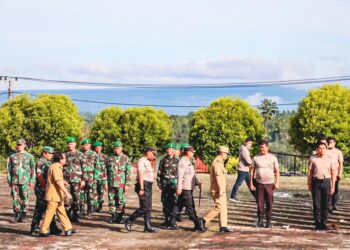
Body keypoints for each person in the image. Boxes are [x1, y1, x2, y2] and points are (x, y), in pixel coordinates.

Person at [168, 146, 205, 232]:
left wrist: (197, 183)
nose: (193, 153)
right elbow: (180, 175)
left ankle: (172, 221)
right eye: (192, 152)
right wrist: (179, 187)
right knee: (190, 207)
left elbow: (192, 175)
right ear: (188, 152)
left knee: (179, 205)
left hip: (189, 187)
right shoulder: (183, 161)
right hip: (185, 188)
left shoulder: (189, 161)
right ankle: (197, 224)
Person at [39, 152, 76, 237]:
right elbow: (57, 181)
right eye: (64, 158)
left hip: (57, 195)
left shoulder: (57, 167)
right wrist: (67, 193)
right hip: (53, 195)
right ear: (60, 159)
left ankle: (68, 229)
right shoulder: (55, 167)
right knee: (49, 213)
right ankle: (43, 231)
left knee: (62, 212)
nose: (65, 160)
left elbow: (57, 179)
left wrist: (63, 181)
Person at [124, 147, 159, 233]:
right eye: (153, 154)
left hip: (148, 185)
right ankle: (129, 220)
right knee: (144, 207)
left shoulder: (147, 161)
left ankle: (147, 226)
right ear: (148, 152)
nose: (154, 156)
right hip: (143, 185)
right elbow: (141, 175)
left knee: (149, 208)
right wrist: (142, 188)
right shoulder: (142, 161)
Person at [200, 146, 233, 233]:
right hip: (218, 189)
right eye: (226, 154)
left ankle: (223, 226)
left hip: (220, 189)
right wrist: (221, 189)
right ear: (222, 153)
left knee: (223, 208)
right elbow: (218, 177)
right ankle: (203, 220)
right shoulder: (217, 163)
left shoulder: (220, 162)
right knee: (219, 207)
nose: (227, 156)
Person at [30, 146, 62, 236]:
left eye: (52, 153)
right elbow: (39, 175)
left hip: (46, 189)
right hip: (41, 189)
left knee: (50, 208)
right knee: (39, 208)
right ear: (45, 153)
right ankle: (34, 227)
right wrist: (45, 186)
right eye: (50, 153)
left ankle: (53, 227)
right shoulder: (41, 161)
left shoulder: (48, 162)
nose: (52, 155)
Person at [249, 140, 280, 228]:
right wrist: (251, 183)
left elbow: (277, 171)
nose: (261, 149)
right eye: (260, 147)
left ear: (267, 147)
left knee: (269, 202)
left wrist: (277, 182)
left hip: (269, 183)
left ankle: (269, 221)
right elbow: (252, 171)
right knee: (260, 202)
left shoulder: (273, 158)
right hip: (259, 183)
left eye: (263, 147)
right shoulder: (256, 158)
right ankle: (260, 220)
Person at [308, 142, 336, 230]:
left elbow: (333, 173)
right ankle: (317, 223)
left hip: (326, 182)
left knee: (326, 204)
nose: (322, 150)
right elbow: (310, 173)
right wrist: (309, 184)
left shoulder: (330, 159)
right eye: (320, 148)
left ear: (326, 149)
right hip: (316, 183)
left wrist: (333, 186)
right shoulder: (313, 159)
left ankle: (323, 223)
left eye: (324, 148)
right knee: (316, 204)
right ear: (317, 149)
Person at [7, 139, 35, 223]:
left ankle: (23, 215)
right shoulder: (12, 156)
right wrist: (9, 179)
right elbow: (9, 169)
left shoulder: (30, 156)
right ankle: (16, 214)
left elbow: (33, 169)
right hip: (15, 180)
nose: (19, 146)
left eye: (21, 145)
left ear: (24, 146)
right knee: (15, 198)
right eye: (18, 145)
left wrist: (32, 180)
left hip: (25, 180)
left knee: (25, 197)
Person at [107, 141, 132, 224]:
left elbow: (128, 172)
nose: (116, 150)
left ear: (121, 148)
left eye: (118, 148)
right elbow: (106, 171)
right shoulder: (110, 158)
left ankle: (120, 217)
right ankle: (113, 216)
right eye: (115, 148)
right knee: (111, 200)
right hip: (111, 183)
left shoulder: (125, 158)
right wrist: (105, 182)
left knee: (121, 200)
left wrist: (127, 184)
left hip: (121, 183)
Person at [64, 136, 86, 222]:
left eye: (71, 144)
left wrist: (83, 180)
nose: (70, 145)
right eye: (69, 144)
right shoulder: (65, 155)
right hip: (67, 180)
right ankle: (68, 215)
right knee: (67, 198)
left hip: (77, 180)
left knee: (76, 198)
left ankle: (76, 215)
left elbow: (84, 168)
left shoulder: (80, 155)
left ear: (75, 144)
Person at [156, 142, 179, 227]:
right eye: (168, 149)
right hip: (165, 185)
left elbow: (180, 174)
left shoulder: (177, 161)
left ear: (173, 151)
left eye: (170, 149)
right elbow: (159, 172)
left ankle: (173, 221)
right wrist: (159, 183)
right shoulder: (163, 160)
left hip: (174, 185)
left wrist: (179, 185)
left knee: (174, 202)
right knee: (165, 203)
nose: (168, 151)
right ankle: (166, 219)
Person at [230, 138, 255, 202]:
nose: (250, 145)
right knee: (238, 183)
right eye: (249, 143)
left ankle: (257, 197)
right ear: (245, 142)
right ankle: (232, 196)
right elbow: (248, 160)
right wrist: (253, 164)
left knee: (249, 184)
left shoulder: (244, 148)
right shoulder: (244, 149)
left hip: (245, 169)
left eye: (251, 144)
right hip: (242, 169)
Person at [80, 138, 98, 216]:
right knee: (81, 193)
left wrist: (95, 178)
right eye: (84, 145)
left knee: (91, 193)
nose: (85, 146)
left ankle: (90, 209)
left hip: (91, 177)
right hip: (81, 177)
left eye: (87, 145)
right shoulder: (80, 154)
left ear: (90, 145)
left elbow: (97, 167)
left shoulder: (94, 154)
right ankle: (81, 209)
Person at [327, 137, 343, 212]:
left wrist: (340, 173)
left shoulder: (338, 152)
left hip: (335, 174)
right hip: (327, 174)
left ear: (334, 143)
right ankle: (328, 205)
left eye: (331, 142)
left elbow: (341, 164)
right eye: (328, 142)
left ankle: (334, 204)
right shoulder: (325, 151)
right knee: (329, 189)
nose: (330, 144)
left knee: (335, 189)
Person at [93, 141, 108, 213]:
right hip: (94, 178)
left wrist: (105, 181)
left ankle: (100, 207)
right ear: (95, 148)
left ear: (101, 148)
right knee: (94, 193)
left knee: (101, 193)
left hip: (102, 178)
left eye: (99, 147)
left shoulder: (105, 157)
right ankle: (94, 207)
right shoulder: (92, 156)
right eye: (96, 148)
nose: (98, 149)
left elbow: (106, 169)